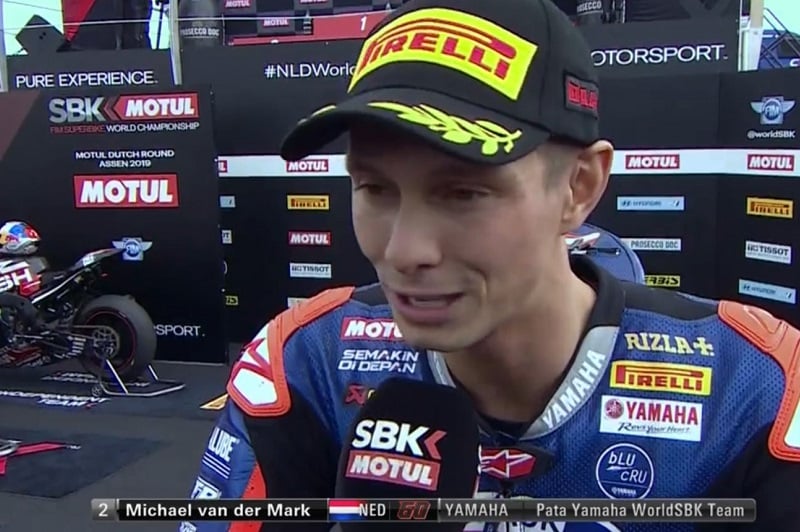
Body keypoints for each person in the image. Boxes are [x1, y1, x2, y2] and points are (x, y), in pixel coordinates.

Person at [182, 0, 800, 530]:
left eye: (463, 193)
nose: (404, 251)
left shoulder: (756, 391)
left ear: (579, 187)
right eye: (374, 188)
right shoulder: (305, 364)